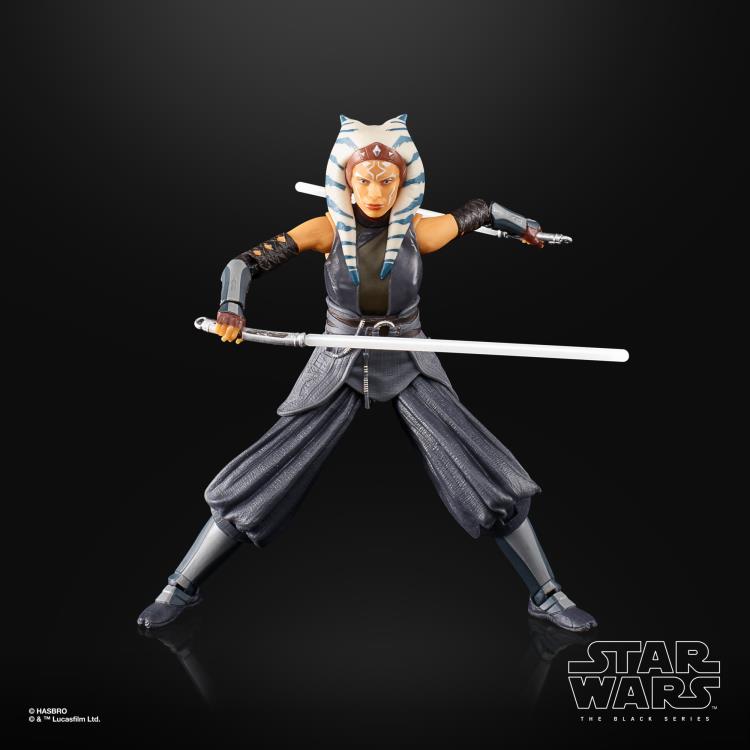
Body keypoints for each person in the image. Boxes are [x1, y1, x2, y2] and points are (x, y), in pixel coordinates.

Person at [137, 115, 597, 633]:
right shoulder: (326, 228)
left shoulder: (419, 231)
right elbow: (243, 264)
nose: (375, 193)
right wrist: (232, 307)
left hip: (408, 355)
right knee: (267, 469)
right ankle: (180, 584)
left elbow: (482, 210)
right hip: (338, 358)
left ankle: (547, 592)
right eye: (364, 180)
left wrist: (524, 227)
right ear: (345, 180)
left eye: (386, 181)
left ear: (405, 183)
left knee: (480, 464)